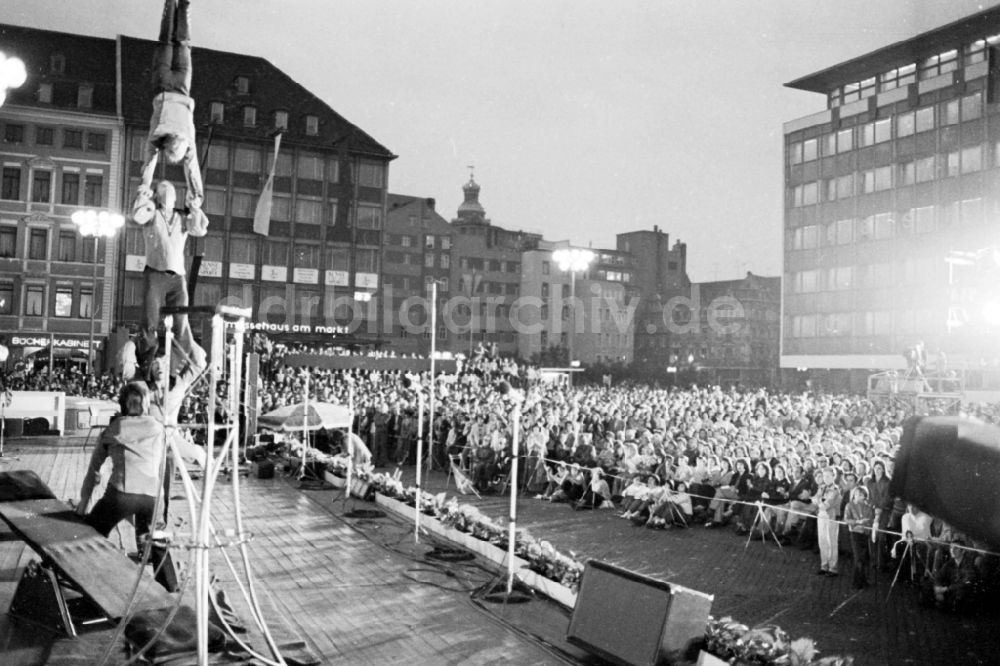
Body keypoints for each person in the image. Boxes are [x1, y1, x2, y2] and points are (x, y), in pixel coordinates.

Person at [76, 382, 176, 590]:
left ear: (122, 405)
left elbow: (93, 472)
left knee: (92, 534)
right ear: (146, 404)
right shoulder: (159, 429)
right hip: (152, 496)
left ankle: (82, 578)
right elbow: (163, 470)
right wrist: (162, 510)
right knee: (157, 537)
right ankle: (170, 588)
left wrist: (82, 508)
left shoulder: (114, 428)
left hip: (120, 496)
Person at [132, 180, 207, 378]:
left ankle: (177, 369)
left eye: (172, 193)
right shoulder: (152, 214)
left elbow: (199, 230)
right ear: (157, 196)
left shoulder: (182, 217)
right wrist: (144, 197)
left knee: (181, 323)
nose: (169, 197)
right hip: (155, 273)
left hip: (177, 277)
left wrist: (196, 208)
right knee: (150, 321)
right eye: (164, 193)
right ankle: (147, 369)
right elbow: (137, 216)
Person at [134, 0, 204, 214]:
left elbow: (191, 169)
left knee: (181, 44)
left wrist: (197, 195)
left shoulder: (170, 140)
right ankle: (175, 5)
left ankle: (181, 6)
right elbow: (190, 170)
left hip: (176, 87)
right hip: (170, 88)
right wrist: (197, 196)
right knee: (169, 42)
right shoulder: (158, 140)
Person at [844, 486, 874, 589]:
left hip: (865, 534)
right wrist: (857, 522)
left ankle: (862, 580)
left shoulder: (868, 507)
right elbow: (847, 519)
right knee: (858, 558)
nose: (858, 496)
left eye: (861, 495)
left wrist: (867, 524)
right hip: (855, 533)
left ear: (865, 496)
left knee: (864, 558)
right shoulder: (849, 505)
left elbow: (871, 519)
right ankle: (857, 582)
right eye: (857, 494)